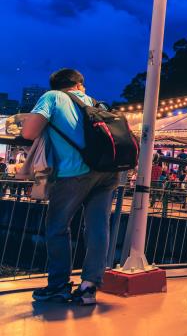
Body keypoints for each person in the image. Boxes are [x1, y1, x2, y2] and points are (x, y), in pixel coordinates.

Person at [21, 69, 118, 305]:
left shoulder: (52, 97)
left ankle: (58, 286)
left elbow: (29, 132)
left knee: (57, 227)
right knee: (97, 228)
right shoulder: (96, 104)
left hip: (73, 173)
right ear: (79, 85)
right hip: (106, 172)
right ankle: (88, 287)